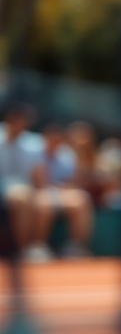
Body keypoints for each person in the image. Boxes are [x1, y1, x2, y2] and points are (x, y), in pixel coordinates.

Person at [27, 124, 94, 259]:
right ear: (45, 138)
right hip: (38, 191)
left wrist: (81, 149)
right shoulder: (34, 152)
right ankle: (38, 246)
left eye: (57, 139)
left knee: (81, 199)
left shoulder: (67, 154)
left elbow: (73, 181)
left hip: (59, 193)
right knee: (44, 203)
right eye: (51, 139)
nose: (54, 142)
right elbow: (39, 183)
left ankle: (75, 247)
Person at [0, 104, 44, 258]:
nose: (21, 123)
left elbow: (38, 176)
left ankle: (31, 247)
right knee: (24, 196)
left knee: (37, 199)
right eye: (17, 119)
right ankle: (23, 250)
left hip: (25, 190)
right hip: (7, 189)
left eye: (24, 120)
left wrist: (40, 193)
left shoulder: (34, 143)